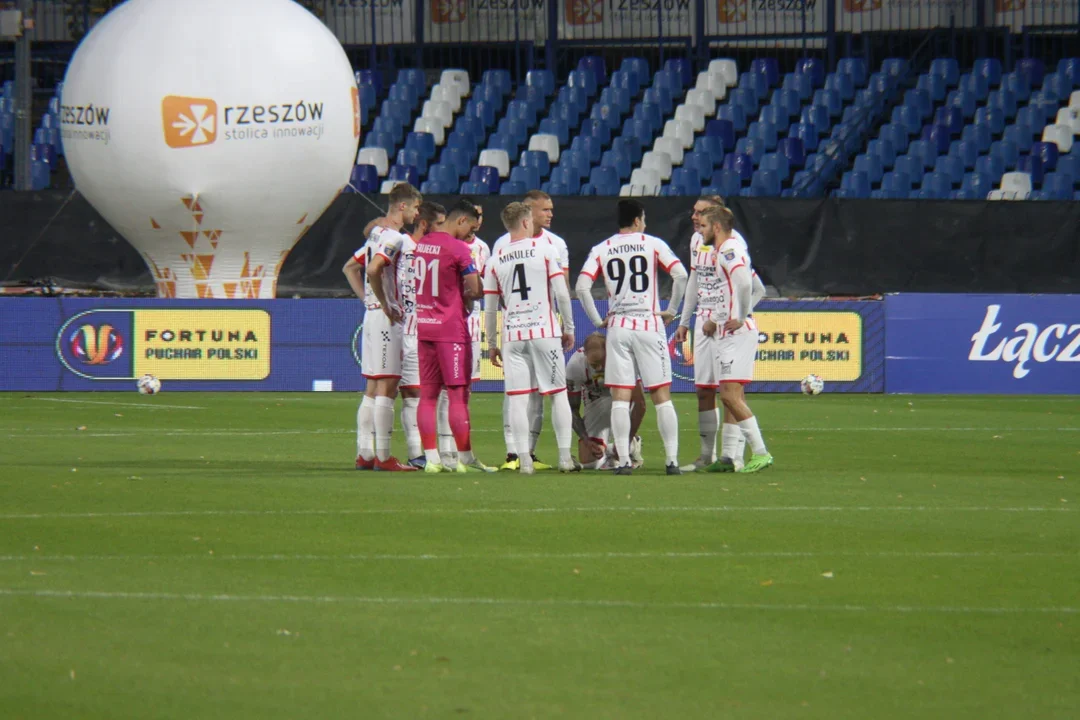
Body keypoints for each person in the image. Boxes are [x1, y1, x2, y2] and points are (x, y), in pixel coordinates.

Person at [576, 199, 689, 475]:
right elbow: (680, 275)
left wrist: (597, 320)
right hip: (649, 322)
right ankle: (671, 461)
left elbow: (581, 287)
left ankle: (624, 461)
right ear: (638, 220)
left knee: (620, 396)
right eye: (644, 219)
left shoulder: (602, 248)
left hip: (619, 325)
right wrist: (672, 310)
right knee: (661, 394)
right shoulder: (653, 244)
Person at [483, 202, 579, 474]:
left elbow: (490, 308)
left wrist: (492, 344)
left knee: (517, 398)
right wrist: (569, 327)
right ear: (526, 222)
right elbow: (562, 294)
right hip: (544, 331)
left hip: (513, 336)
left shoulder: (495, 260)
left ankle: (524, 461)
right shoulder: (546, 250)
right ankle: (564, 458)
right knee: (557, 394)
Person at [676, 195, 767, 471]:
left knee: (730, 392)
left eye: (701, 214)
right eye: (694, 212)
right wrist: (685, 320)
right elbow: (697, 281)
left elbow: (751, 286)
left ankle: (732, 455)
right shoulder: (699, 242)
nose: (695, 218)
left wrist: (738, 315)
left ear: (716, 219)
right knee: (705, 390)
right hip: (706, 321)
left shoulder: (733, 245)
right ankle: (708, 456)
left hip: (725, 324)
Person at [343, 183, 422, 470]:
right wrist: (385, 302)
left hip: (372, 316)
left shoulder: (376, 234)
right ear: (402, 206)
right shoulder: (393, 237)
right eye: (415, 207)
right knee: (387, 387)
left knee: (373, 386)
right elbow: (374, 268)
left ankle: (365, 454)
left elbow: (350, 267)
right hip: (386, 319)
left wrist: (368, 300)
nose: (416, 213)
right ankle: (384, 456)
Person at [413, 199, 496, 473]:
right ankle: (466, 459)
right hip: (450, 330)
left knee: (428, 395)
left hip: (424, 326)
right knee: (458, 394)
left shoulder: (422, 244)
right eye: (470, 228)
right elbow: (475, 289)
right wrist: (473, 291)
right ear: (461, 220)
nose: (470, 235)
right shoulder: (459, 248)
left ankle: (432, 459)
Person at [696, 205, 774, 474]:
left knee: (730, 395)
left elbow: (744, 283)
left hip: (737, 334)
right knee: (730, 396)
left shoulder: (729, 250)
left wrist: (740, 316)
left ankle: (761, 453)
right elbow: (748, 287)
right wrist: (719, 318)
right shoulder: (723, 251)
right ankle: (730, 457)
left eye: (704, 226)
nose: (700, 231)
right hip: (728, 332)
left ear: (716, 227)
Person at [378, 200, 445, 468]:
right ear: (424, 224)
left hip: (426, 328)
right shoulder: (401, 242)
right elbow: (371, 257)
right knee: (409, 391)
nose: (443, 230)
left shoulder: (433, 250)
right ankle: (413, 453)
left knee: (422, 392)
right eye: (439, 224)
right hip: (406, 329)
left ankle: (424, 452)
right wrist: (383, 303)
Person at [436, 199, 490, 467]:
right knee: (445, 387)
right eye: (473, 217)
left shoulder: (483, 248)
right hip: (448, 319)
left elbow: (485, 284)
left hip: (472, 321)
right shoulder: (447, 246)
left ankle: (459, 450)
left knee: (463, 388)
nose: (476, 223)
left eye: (479, 217)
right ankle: (446, 450)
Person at [566, 333, 646, 469]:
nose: (598, 368)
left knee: (622, 403)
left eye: (601, 362)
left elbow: (640, 404)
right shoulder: (575, 365)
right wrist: (587, 441)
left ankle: (631, 443)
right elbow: (572, 409)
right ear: (585, 355)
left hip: (620, 398)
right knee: (589, 461)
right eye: (594, 364)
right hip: (594, 399)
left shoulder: (622, 359)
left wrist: (626, 440)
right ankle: (610, 452)